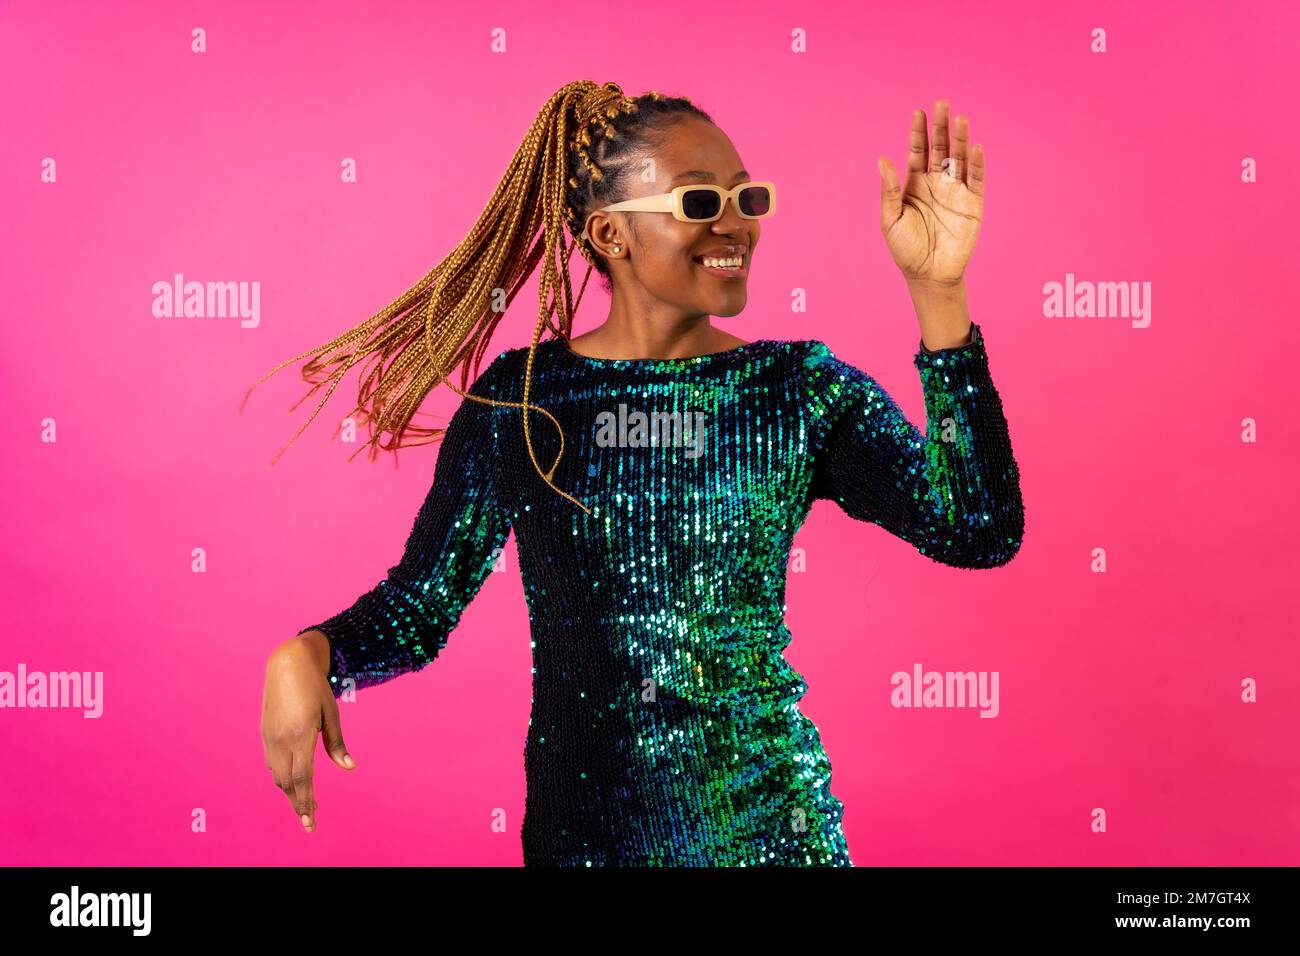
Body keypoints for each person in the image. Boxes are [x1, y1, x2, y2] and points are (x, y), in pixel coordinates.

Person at [253, 80, 1024, 866]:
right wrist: (310, 653)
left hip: (770, 839)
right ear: (612, 235)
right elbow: (420, 606)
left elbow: (977, 529)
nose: (736, 224)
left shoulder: (799, 390)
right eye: (699, 204)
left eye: (746, 197)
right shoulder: (520, 405)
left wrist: (939, 291)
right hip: (580, 842)